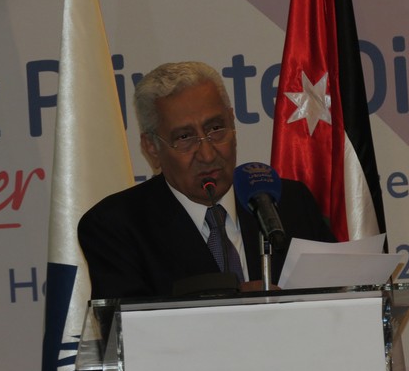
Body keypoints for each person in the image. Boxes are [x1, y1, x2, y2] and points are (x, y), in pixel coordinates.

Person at [78, 61, 335, 300]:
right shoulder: (116, 226)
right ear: (152, 148)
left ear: (232, 122)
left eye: (215, 129)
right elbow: (128, 326)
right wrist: (234, 302)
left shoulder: (289, 203)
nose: (208, 154)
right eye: (184, 137)